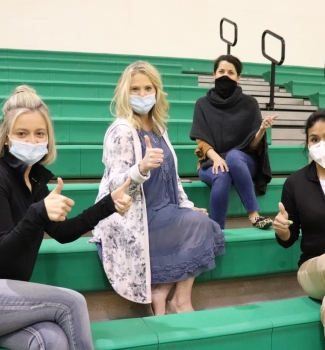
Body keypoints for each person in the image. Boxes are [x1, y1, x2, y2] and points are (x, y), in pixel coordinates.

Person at [0, 85, 131, 350]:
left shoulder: (35, 181)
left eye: (40, 134)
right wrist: (38, 212)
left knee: (51, 340)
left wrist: (109, 204)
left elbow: (63, 233)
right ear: (6, 138)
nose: (33, 141)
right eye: (22, 134)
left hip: (10, 301)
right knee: (71, 302)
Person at [91, 60, 225, 316]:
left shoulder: (159, 128)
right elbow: (114, 187)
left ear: (157, 91)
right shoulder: (121, 131)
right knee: (204, 226)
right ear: (124, 93)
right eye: (135, 89)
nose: (143, 95)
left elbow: (171, 177)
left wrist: (186, 205)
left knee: (202, 220)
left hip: (164, 210)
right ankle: (180, 300)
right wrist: (140, 168)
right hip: (135, 217)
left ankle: (163, 293)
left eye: (148, 88)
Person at [274, 109, 325, 349]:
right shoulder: (295, 182)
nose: (322, 144)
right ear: (307, 144)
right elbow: (289, 238)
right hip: (313, 269)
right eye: (314, 139)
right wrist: (282, 230)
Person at [190, 54, 277, 229]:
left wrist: (261, 130)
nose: (225, 76)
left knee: (234, 156)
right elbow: (202, 140)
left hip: (243, 162)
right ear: (214, 74)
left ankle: (253, 215)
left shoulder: (250, 103)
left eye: (231, 72)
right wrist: (216, 159)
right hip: (211, 161)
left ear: (238, 77)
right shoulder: (202, 104)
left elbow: (252, 146)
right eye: (221, 71)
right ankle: (216, 230)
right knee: (221, 176)